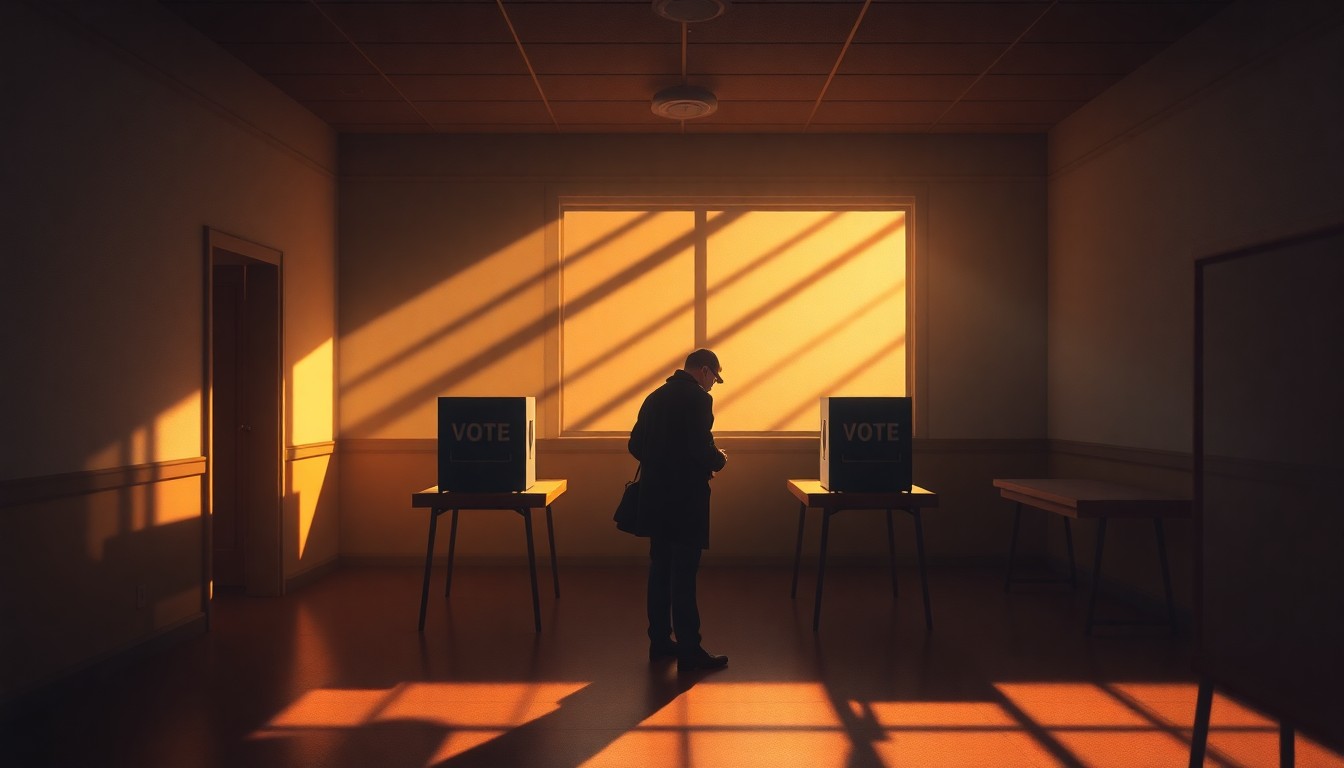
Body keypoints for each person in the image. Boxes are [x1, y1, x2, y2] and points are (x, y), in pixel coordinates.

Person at [628, 348, 729, 672]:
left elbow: (635, 444)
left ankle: (659, 641)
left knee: (660, 569)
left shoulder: (655, 397)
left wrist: (659, 461)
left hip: (656, 497)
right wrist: (720, 459)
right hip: (686, 499)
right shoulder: (699, 400)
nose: (713, 385)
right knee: (684, 574)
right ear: (703, 370)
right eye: (714, 377)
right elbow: (701, 447)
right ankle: (689, 648)